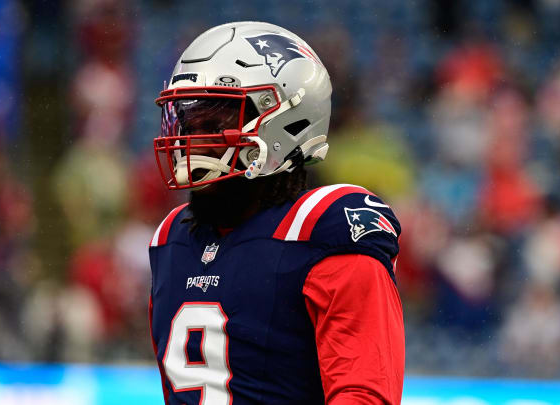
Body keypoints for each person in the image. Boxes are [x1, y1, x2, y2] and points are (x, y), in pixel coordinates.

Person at [148, 21, 404, 405]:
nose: (191, 141)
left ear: (285, 120)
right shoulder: (172, 238)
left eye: (215, 123)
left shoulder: (324, 227)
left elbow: (364, 395)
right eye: (187, 122)